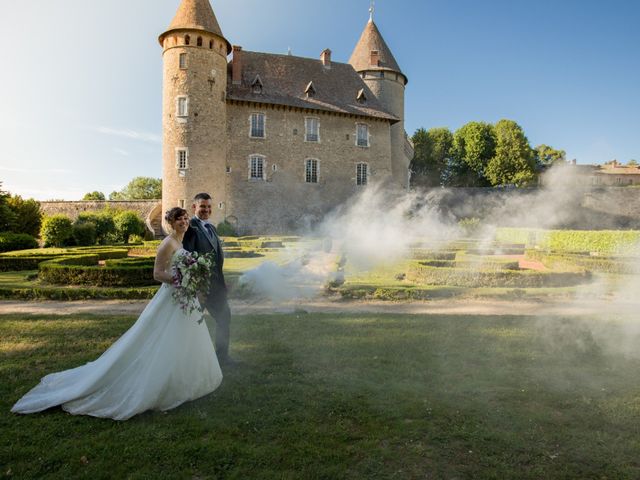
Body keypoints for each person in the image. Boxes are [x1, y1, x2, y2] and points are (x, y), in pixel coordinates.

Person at [11, 207, 222, 420]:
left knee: (184, 337)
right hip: (172, 296)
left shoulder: (181, 241)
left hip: (183, 297)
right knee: (161, 337)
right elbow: (157, 273)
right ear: (171, 222)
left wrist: (191, 277)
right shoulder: (168, 243)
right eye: (179, 219)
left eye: (186, 218)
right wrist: (181, 281)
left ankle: (183, 377)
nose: (184, 222)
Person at [182, 193, 235, 365]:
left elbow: (216, 259)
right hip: (200, 288)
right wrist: (196, 289)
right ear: (194, 207)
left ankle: (222, 358)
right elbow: (187, 259)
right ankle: (189, 361)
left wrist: (222, 281)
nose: (206, 210)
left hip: (216, 286)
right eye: (203, 206)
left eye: (209, 207)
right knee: (191, 325)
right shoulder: (190, 228)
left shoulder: (211, 228)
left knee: (224, 318)